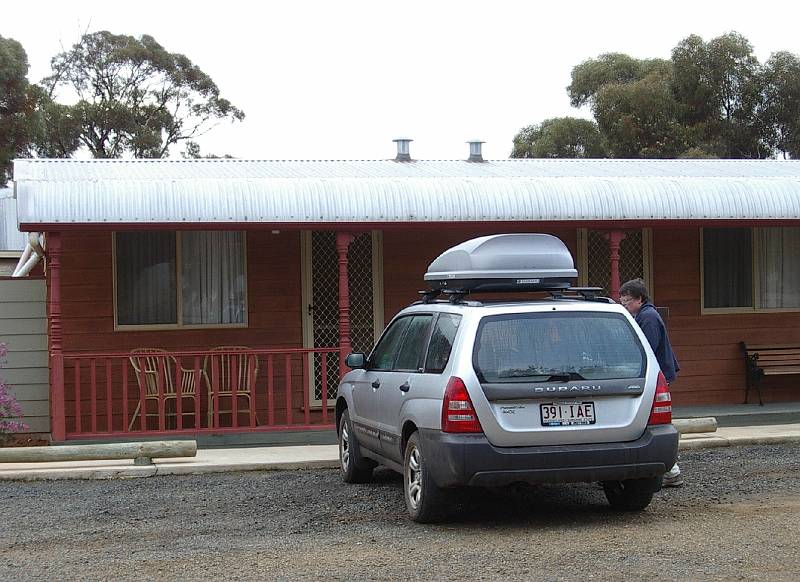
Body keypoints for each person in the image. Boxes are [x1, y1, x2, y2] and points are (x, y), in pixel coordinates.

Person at [619, 278, 683, 487]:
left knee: (652, 422)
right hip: (658, 374)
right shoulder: (645, 315)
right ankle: (670, 469)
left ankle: (671, 470)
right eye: (622, 300)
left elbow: (646, 349)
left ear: (639, 298)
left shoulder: (648, 318)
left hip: (655, 377)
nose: (624, 304)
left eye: (627, 300)